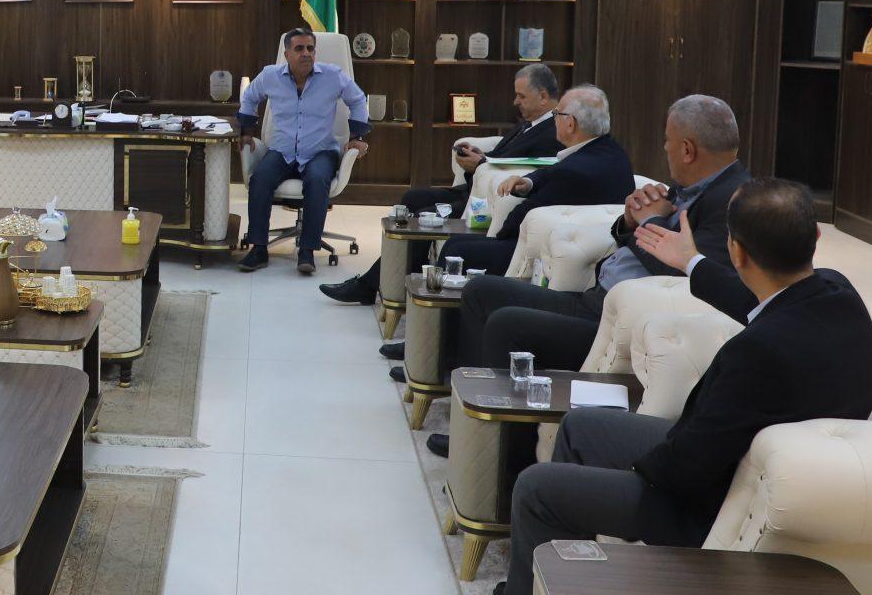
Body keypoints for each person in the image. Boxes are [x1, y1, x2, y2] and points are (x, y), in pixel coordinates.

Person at [466, 178, 872, 595]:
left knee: (539, 488)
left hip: (709, 500)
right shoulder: (835, 293)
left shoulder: (760, 354)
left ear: (737, 251)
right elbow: (757, 302)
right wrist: (692, 262)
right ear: (815, 238)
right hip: (738, 459)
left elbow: (684, 469)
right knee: (582, 427)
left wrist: (641, 467)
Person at [426, 95, 749, 451]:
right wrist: (629, 220)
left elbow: (693, 273)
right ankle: (467, 416)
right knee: (482, 291)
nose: (664, 148)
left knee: (507, 325)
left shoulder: (730, 203)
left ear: (687, 150)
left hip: (616, 323)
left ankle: (496, 457)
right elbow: (640, 237)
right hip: (593, 296)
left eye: (667, 140)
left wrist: (650, 222)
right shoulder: (693, 185)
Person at [321, 64, 562, 340]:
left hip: (487, 203)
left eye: (521, 96)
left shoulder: (551, 133)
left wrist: (481, 163)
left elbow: (523, 171)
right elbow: (502, 157)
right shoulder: (529, 123)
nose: (515, 101)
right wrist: (479, 157)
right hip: (472, 189)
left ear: (543, 96)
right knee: (413, 198)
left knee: (422, 216)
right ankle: (391, 282)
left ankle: (374, 286)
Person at [431, 84, 634, 281]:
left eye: (557, 114)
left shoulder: (573, 172)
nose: (553, 119)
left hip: (545, 257)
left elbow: (517, 219)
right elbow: (552, 171)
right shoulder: (611, 151)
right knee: (458, 243)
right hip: (580, 245)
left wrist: (499, 232)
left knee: (457, 248)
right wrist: (529, 182)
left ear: (570, 124)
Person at [237, 27, 371, 275]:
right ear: (287, 54)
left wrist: (356, 137)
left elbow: (358, 99)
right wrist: (246, 132)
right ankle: (259, 248)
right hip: (282, 151)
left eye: (310, 48)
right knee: (260, 179)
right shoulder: (270, 76)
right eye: (299, 49)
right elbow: (249, 98)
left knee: (317, 180)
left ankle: (307, 250)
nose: (306, 53)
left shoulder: (332, 76)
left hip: (320, 151)